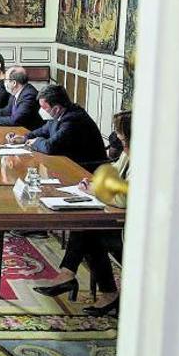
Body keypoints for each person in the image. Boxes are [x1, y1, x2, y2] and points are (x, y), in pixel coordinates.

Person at [32, 110, 132, 317]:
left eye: (121, 136)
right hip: (117, 218)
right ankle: (78, 279)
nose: (118, 140)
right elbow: (112, 171)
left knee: (89, 230)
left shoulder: (145, 159)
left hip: (133, 230)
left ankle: (74, 277)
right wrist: (94, 182)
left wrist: (95, 190)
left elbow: (123, 199)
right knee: (87, 225)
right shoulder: (128, 152)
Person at [6, 84, 107, 173]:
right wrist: (24, 137)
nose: (41, 111)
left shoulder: (73, 120)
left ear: (56, 108)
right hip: (69, 163)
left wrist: (36, 141)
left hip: (85, 168)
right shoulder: (60, 114)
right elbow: (43, 130)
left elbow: (50, 147)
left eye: (44, 108)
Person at [0, 66, 44, 130]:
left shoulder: (29, 95)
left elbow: (16, 120)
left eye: (5, 80)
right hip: (18, 129)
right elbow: (7, 111)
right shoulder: (16, 92)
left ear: (14, 83)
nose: (4, 82)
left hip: (30, 133)